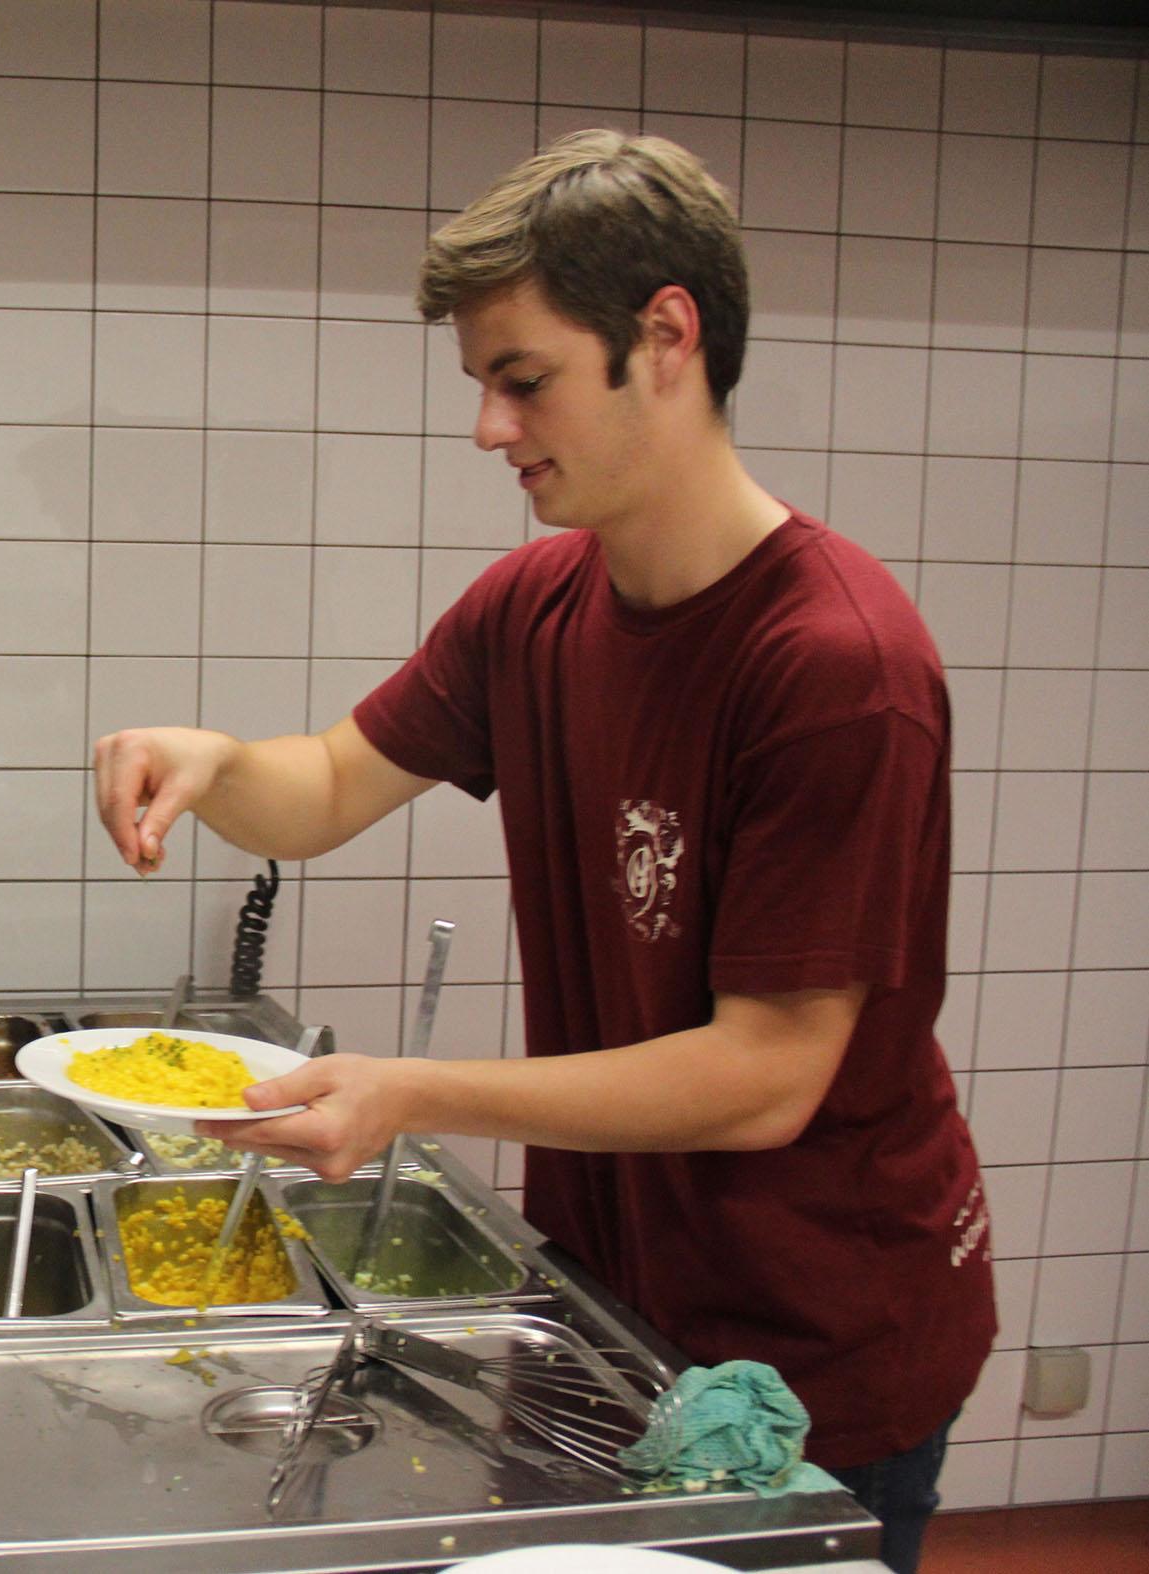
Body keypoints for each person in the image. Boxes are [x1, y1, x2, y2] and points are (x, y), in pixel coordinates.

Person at [91, 132, 989, 1574]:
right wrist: (212, 765)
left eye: (524, 379)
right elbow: (323, 783)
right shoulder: (536, 604)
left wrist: (406, 1091)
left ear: (666, 336)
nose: (490, 429)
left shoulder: (832, 664)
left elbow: (766, 1075)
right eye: (483, 387)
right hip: (612, 1289)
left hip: (814, 1330)